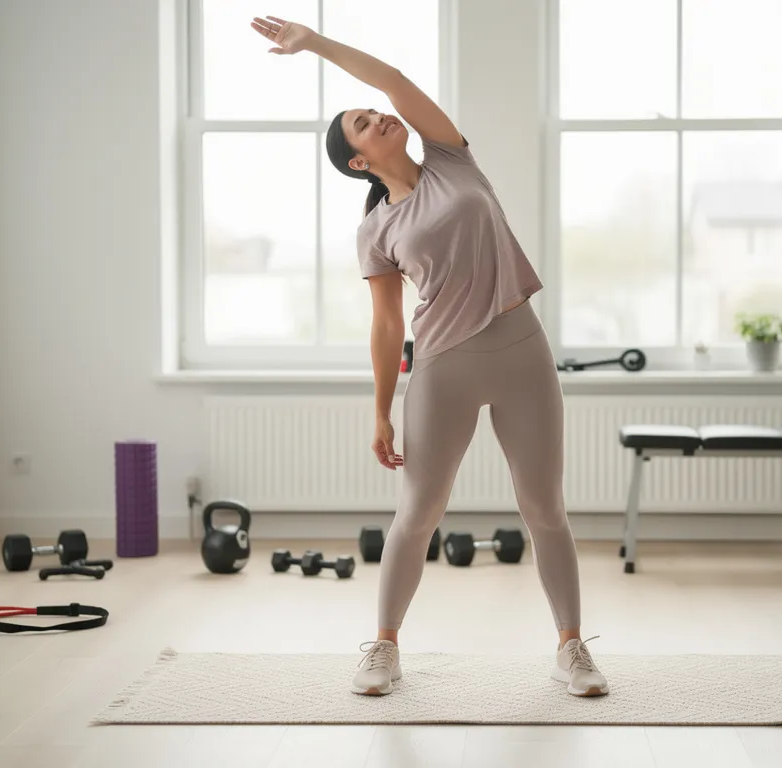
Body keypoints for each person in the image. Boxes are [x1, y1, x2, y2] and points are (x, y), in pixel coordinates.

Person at [251, 15, 609, 698]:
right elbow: (387, 325)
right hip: (443, 365)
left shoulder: (450, 159)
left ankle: (572, 649)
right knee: (418, 513)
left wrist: (315, 43)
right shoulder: (376, 229)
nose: (379, 116)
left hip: (522, 350)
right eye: (363, 124)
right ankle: (383, 648)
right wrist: (380, 411)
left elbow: (393, 80)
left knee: (544, 507)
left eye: (373, 113)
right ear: (358, 162)